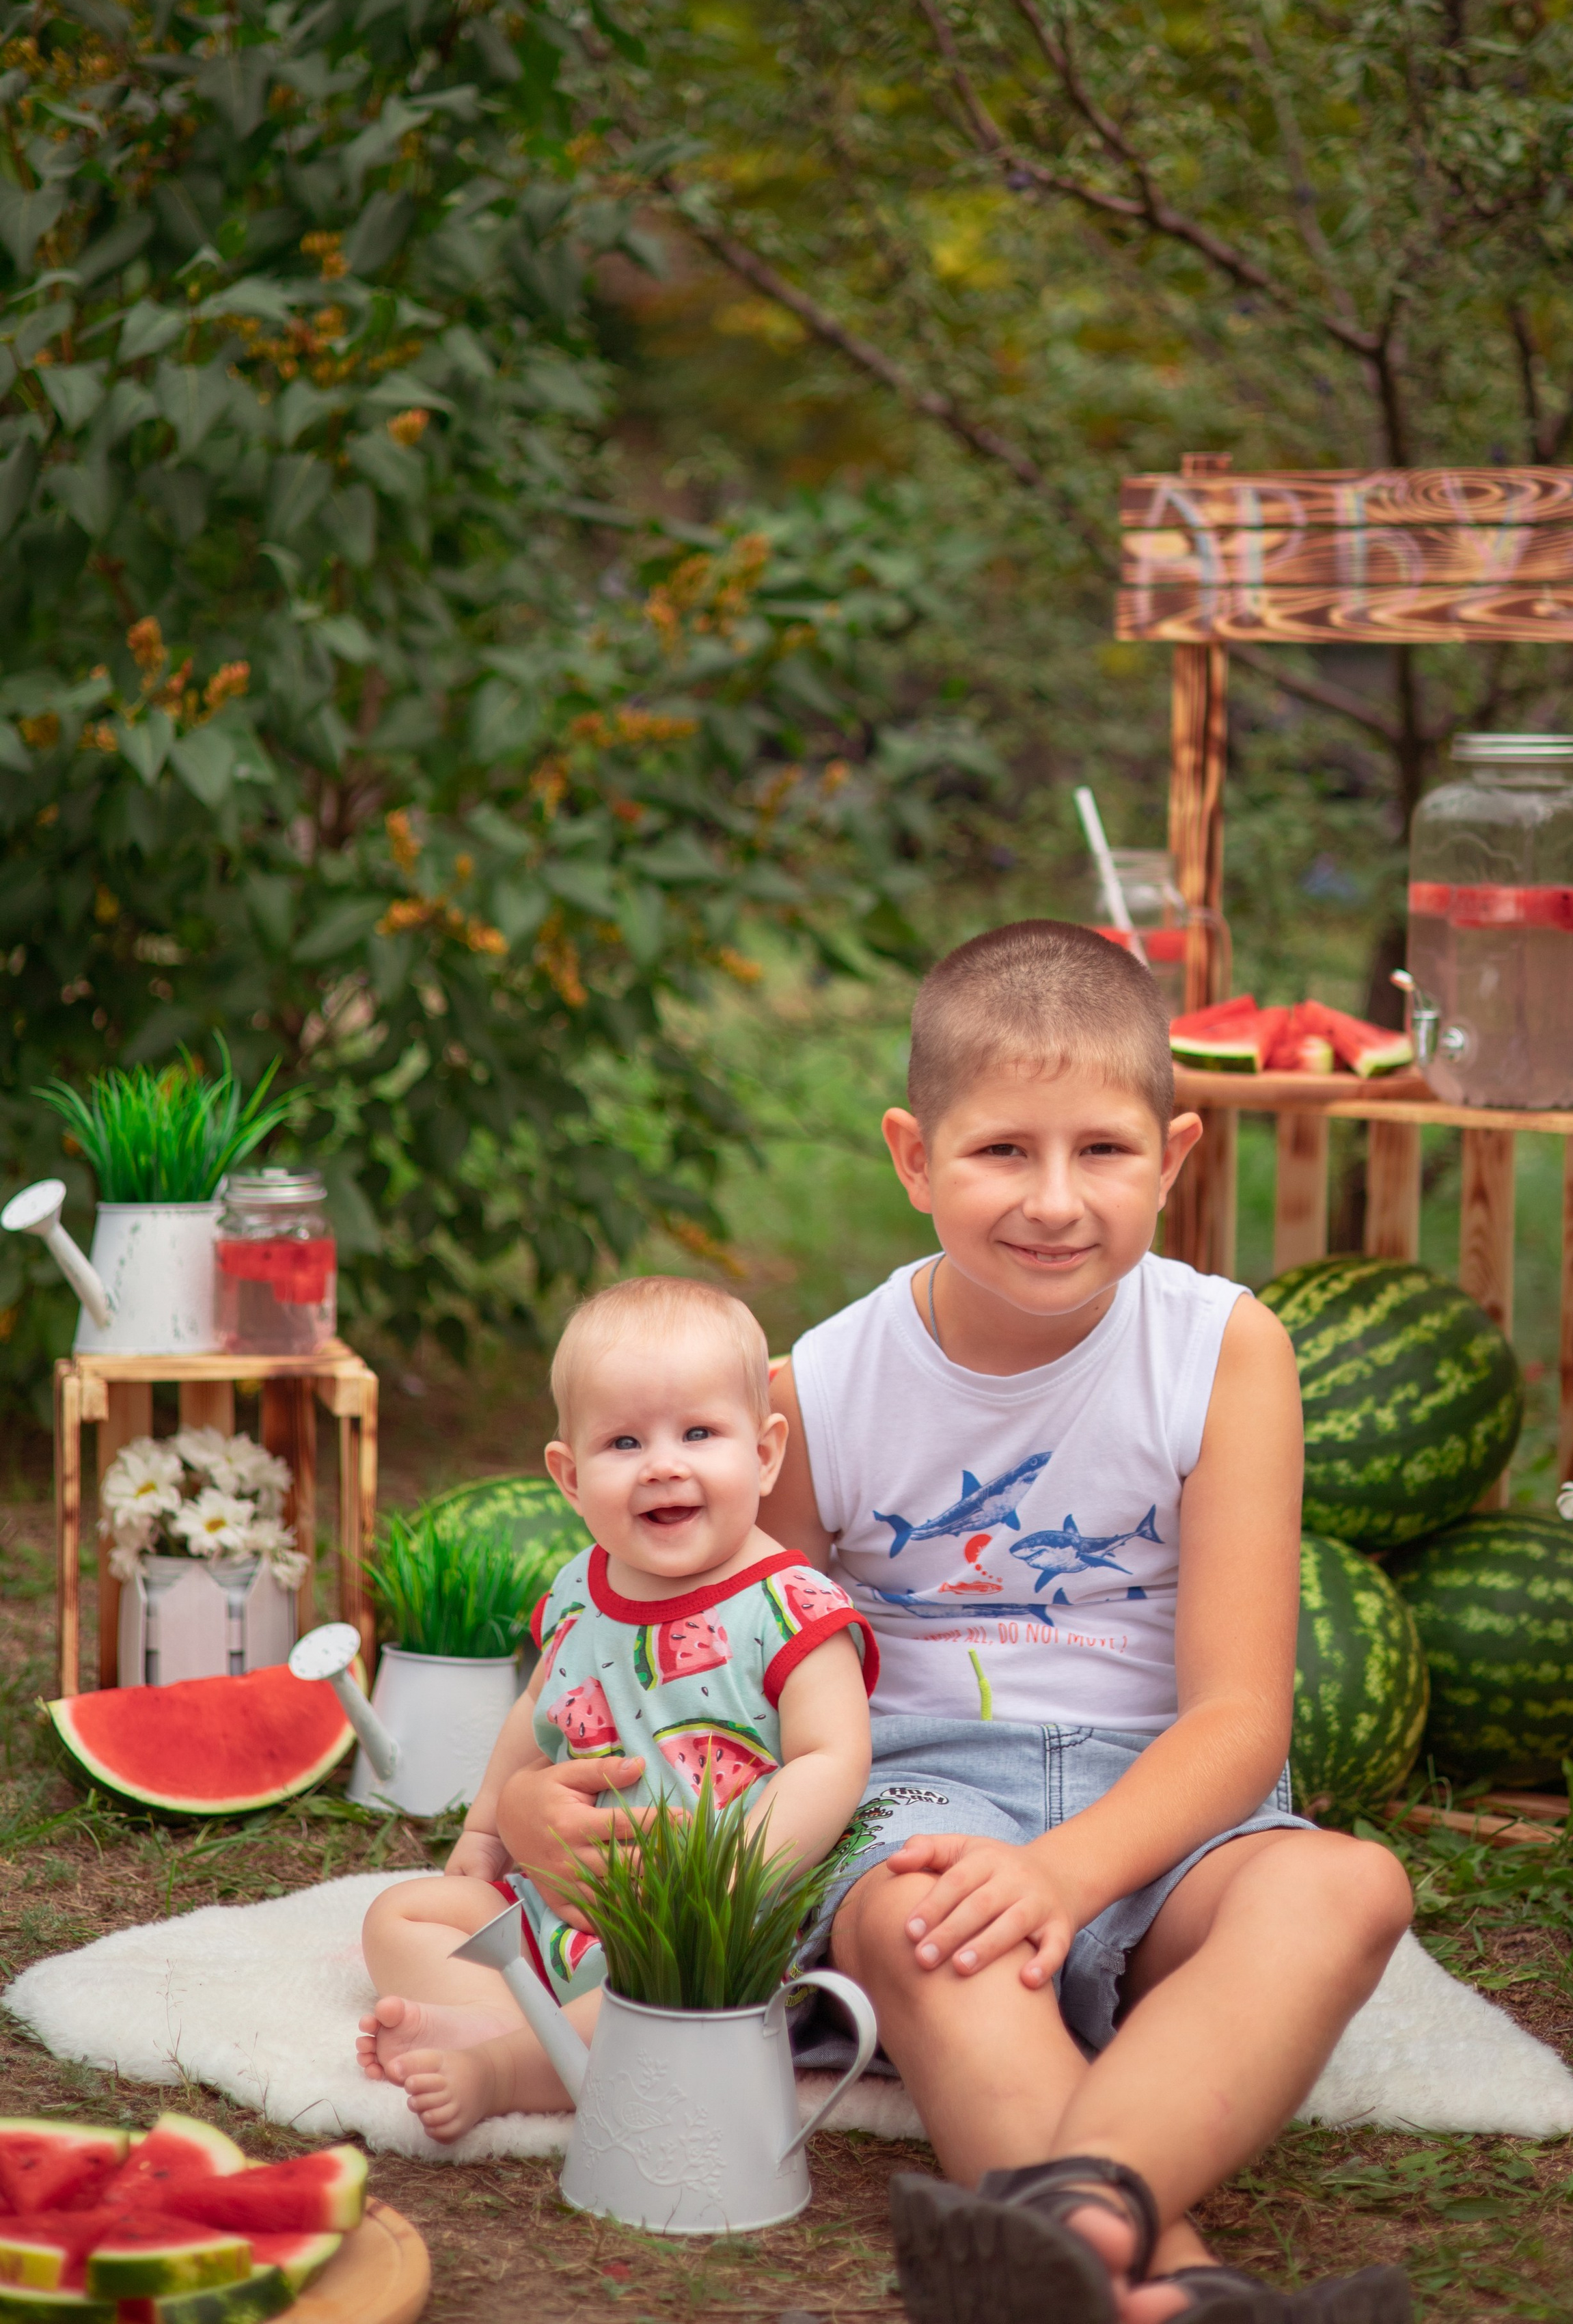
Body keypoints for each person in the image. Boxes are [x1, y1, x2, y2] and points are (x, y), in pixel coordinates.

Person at [504, 923, 1415, 2324]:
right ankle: (1167, 2284)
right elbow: (720, 1673)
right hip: (919, 1803)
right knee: (936, 1935)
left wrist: (1065, 1873)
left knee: (1350, 1888)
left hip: (1167, 1808)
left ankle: (1078, 2224)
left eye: (1102, 1150)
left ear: (1173, 1156)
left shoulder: (1223, 1349)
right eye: (1000, 1151)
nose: (1054, 1200)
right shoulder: (820, 1392)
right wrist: (530, 1804)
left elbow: (1240, 1717)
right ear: (913, 1157)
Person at [355, 1276, 877, 2143]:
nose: (662, 1464)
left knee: (669, 2000)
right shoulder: (577, 1589)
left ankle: (505, 2068)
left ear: (765, 1453)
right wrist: (486, 1829)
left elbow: (834, 1757)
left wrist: (731, 1871)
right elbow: (536, 1708)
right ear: (569, 1476)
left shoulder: (791, 1607)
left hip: (700, 1930)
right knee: (401, 1918)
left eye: (699, 1434)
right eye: (624, 1441)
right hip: (563, 1897)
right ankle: (514, 2029)